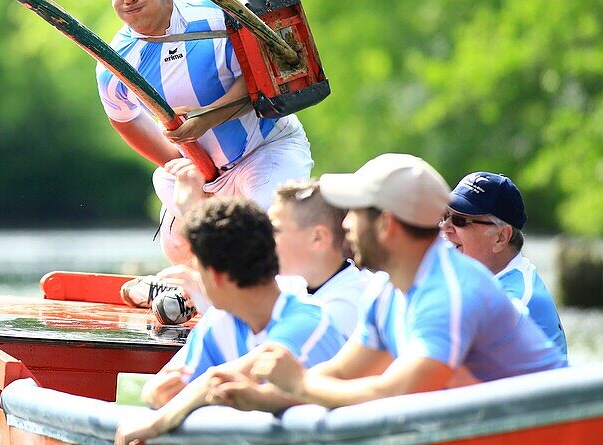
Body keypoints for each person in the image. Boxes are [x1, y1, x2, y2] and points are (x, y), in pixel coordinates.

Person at [208, 154, 565, 414]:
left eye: (355, 212)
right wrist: (262, 396)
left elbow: (398, 393)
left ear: (387, 225)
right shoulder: (386, 288)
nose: (344, 224)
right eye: (445, 217)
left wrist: (298, 384)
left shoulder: (452, 292)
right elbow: (343, 372)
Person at [91, 0, 312, 264]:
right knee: (178, 248)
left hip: (265, 149)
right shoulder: (113, 62)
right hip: (205, 175)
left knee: (262, 240)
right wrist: (176, 162)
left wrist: (207, 118)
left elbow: (262, 79)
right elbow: (123, 119)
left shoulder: (218, 16)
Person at [114, 196, 346, 445]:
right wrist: (157, 394)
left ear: (213, 276)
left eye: (197, 269)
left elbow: (217, 381)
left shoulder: (308, 321)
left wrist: (162, 418)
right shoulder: (219, 322)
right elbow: (166, 386)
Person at [442, 171, 567, 361]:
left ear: (501, 237)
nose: (445, 227)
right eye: (445, 215)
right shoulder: (486, 279)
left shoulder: (516, 301)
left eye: (460, 220)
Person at [270, 179, 373, 335]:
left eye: (276, 230)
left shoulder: (347, 305)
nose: (267, 239)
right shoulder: (292, 285)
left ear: (317, 237)